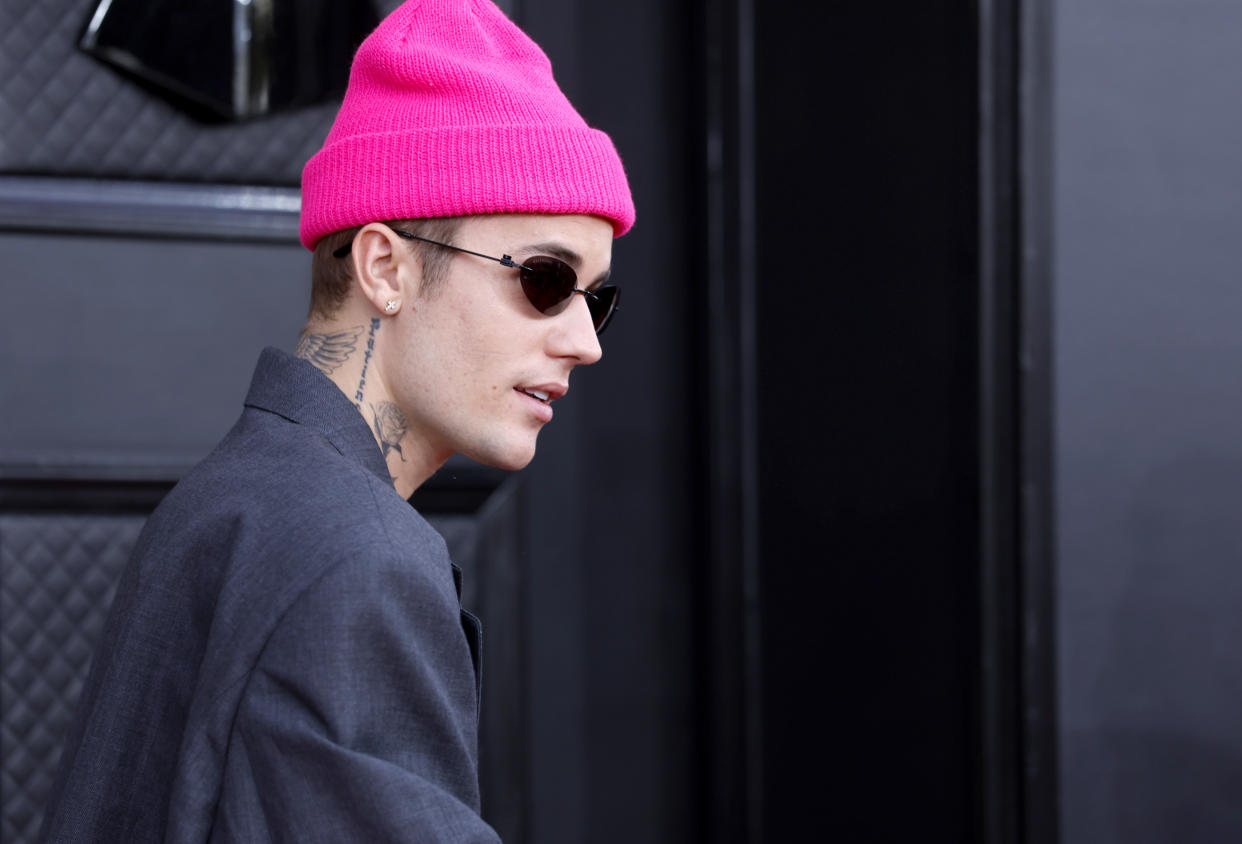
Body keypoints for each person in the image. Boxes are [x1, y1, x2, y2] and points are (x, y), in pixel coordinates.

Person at [37, 0, 634, 841]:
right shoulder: (356, 557)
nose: (584, 341)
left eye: (596, 298)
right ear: (384, 267)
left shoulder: (230, 503)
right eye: (544, 278)